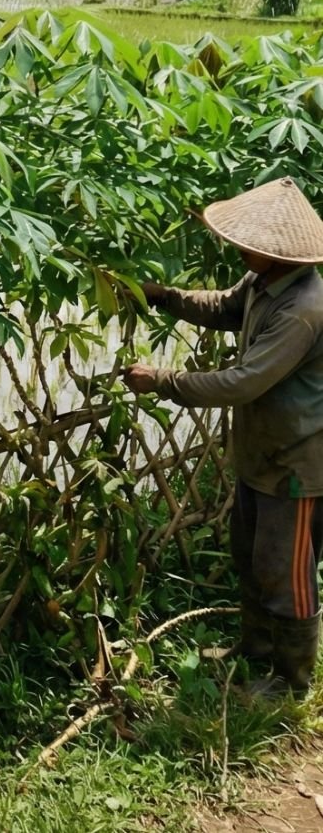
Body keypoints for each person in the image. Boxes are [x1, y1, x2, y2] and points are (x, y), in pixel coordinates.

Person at [124, 177, 323, 699]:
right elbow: (223, 308)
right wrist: (165, 297)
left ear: (276, 252)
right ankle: (256, 651)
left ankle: (291, 681)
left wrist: (164, 381)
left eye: (247, 245)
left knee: (288, 573)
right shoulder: (266, 282)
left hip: (298, 463)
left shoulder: (304, 308)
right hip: (263, 450)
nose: (238, 250)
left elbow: (244, 381)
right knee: (251, 556)